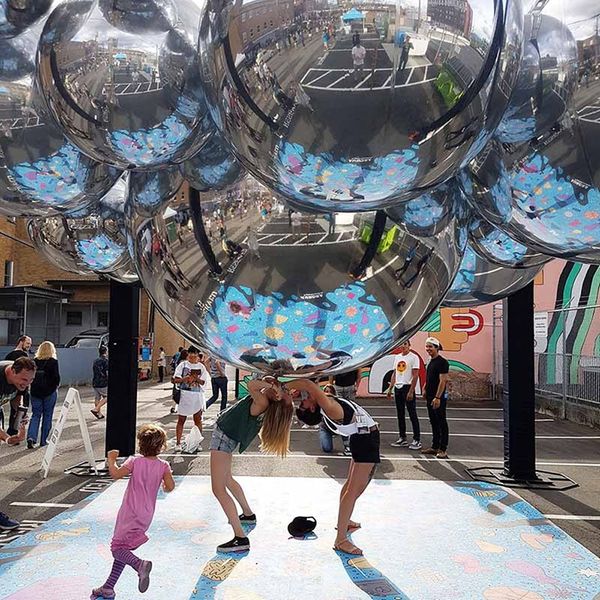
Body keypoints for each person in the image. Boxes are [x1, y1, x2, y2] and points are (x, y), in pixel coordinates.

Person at [287, 378, 379, 555]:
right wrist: (283, 386)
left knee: (350, 487)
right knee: (353, 491)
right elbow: (308, 385)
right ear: (312, 408)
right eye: (302, 404)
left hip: (362, 439)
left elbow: (311, 384)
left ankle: (343, 523)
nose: (302, 400)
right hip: (366, 441)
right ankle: (341, 540)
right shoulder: (328, 407)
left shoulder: (325, 406)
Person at [209, 374, 294, 553]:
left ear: (278, 398)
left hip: (223, 439)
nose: (282, 388)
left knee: (218, 489)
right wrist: (271, 381)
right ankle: (248, 514)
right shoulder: (264, 399)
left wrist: (271, 385)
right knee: (227, 480)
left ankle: (240, 537)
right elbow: (258, 384)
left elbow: (251, 385)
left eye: (284, 391)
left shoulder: (263, 402)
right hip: (226, 438)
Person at [91, 424, 175, 600]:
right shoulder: (164, 465)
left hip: (130, 512)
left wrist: (111, 459)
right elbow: (170, 487)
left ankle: (139, 565)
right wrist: (162, 486)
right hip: (146, 514)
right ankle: (108, 587)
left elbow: (115, 474)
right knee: (124, 548)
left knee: (116, 548)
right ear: (161, 446)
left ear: (140, 444)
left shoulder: (135, 461)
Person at [0, 357, 36, 531]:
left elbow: (17, 404)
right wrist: (6, 437)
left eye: (31, 380)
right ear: (12, 371)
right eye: (24, 380)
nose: (27, 384)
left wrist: (20, 426)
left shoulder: (21, 384)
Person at [386, 340, 421, 450]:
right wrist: (390, 388)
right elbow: (395, 373)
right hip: (398, 387)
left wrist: (411, 391)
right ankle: (402, 438)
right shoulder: (397, 357)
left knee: (412, 413)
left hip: (407, 387)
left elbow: (415, 375)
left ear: (409, 346)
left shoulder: (414, 357)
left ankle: (417, 439)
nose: (403, 346)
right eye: (401, 344)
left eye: (405, 344)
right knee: (400, 414)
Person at [172, 346, 208, 451]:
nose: (193, 356)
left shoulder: (201, 367)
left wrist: (196, 378)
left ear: (198, 355)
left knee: (197, 419)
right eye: (191, 353)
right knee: (181, 419)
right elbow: (175, 379)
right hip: (185, 395)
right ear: (188, 355)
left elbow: (204, 382)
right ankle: (178, 443)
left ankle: (197, 443)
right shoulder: (182, 365)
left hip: (197, 396)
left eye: (195, 354)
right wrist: (185, 379)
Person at [27, 341, 60, 449]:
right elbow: (56, 378)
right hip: (49, 392)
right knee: (47, 415)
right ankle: (43, 440)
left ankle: (31, 437)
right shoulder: (53, 362)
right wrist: (54, 387)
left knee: (35, 415)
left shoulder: (34, 361)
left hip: (35, 392)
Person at [421, 337, 449, 459]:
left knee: (441, 421)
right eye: (427, 346)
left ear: (437, 348)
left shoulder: (443, 362)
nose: (428, 349)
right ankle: (434, 446)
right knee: (433, 421)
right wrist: (424, 388)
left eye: (430, 347)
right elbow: (429, 377)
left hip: (438, 398)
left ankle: (443, 449)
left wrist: (437, 397)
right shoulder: (430, 361)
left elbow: (443, 381)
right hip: (430, 396)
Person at [5, 335, 32, 433]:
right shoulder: (24, 356)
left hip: (11, 388)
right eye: (28, 343)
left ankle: (11, 431)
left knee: (14, 410)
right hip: (21, 389)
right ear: (21, 342)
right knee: (21, 410)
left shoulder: (9, 355)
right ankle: (15, 432)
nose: (29, 346)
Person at [319, 384, 350, 455]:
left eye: (330, 392)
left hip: (339, 427)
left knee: (345, 425)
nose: (328, 393)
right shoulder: (320, 403)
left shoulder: (339, 403)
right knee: (327, 449)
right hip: (326, 428)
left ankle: (347, 445)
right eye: (326, 391)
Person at [91, 346, 109, 420]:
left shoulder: (95, 361)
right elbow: (107, 372)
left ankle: (99, 414)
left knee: (97, 397)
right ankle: (96, 409)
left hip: (95, 381)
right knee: (107, 396)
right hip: (103, 382)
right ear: (106, 352)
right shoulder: (106, 361)